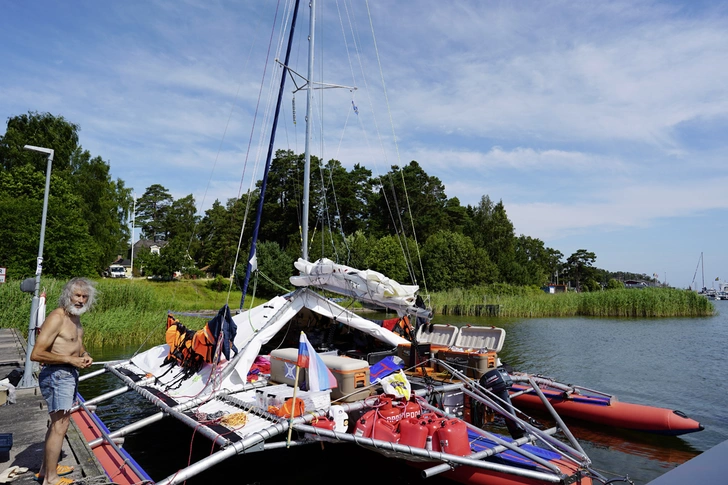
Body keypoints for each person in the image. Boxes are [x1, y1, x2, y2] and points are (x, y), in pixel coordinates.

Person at [30, 277, 96, 485]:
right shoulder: (57, 317)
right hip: (57, 374)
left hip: (68, 374)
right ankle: (51, 479)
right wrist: (69, 359)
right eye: (77, 295)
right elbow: (37, 353)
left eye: (84, 296)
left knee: (57, 424)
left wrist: (84, 355)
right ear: (68, 295)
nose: (81, 300)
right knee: (60, 425)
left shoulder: (75, 318)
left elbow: (77, 345)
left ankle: (45, 469)